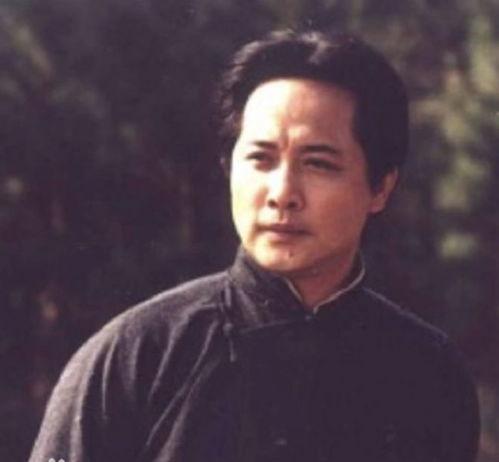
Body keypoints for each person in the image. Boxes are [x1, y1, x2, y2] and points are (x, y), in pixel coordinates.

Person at [29, 30, 480, 462]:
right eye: (261, 159)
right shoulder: (138, 355)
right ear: (230, 168)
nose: (282, 193)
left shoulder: (430, 373)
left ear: (380, 187)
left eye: (318, 164)